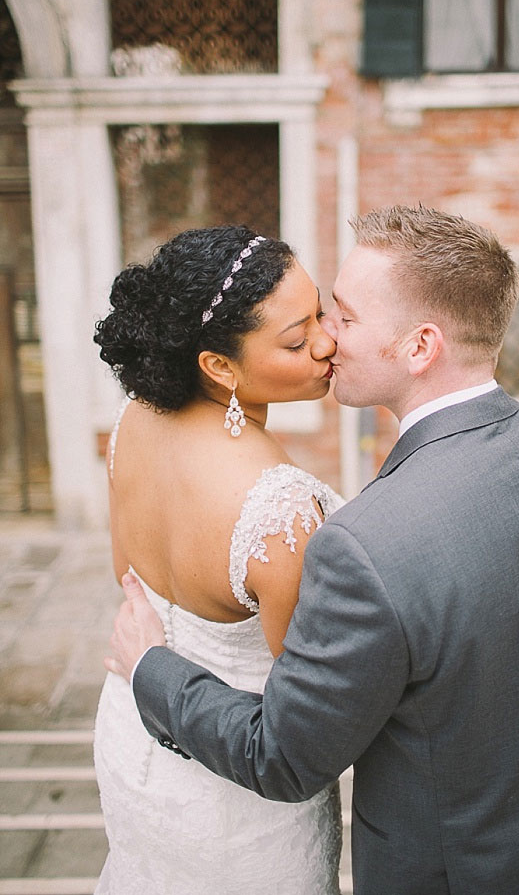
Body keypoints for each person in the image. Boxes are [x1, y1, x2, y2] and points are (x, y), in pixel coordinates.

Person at [107, 205, 519, 895]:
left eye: (346, 318)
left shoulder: (363, 545)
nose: (329, 338)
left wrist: (152, 668)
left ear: (420, 347)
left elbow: (286, 758)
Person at [92, 224, 343, 894]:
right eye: (296, 339)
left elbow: (129, 576)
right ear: (220, 367)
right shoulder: (280, 513)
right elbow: (306, 712)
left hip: (132, 735)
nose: (327, 342)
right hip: (239, 796)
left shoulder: (132, 419)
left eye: (321, 311)